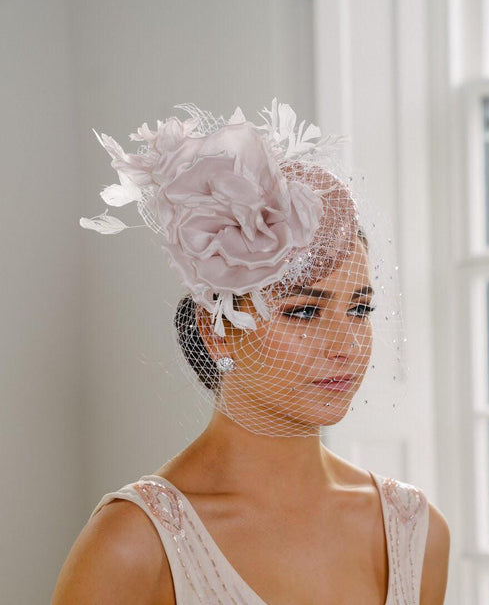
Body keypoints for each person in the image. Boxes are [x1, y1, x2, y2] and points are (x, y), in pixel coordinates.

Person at [52, 100, 450, 604]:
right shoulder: (134, 544)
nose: (346, 346)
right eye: (305, 311)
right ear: (214, 327)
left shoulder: (414, 530)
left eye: (360, 308)